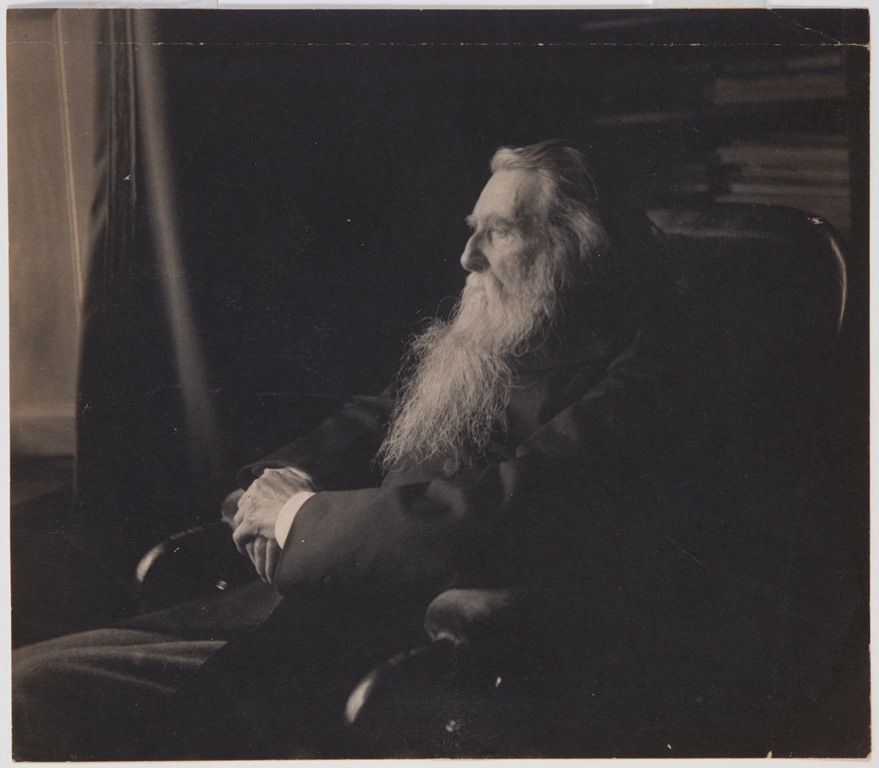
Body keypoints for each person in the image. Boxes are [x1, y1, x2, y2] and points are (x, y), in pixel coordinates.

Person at [13, 140, 683, 760]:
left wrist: (291, 518)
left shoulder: (643, 369)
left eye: (500, 232)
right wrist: (276, 482)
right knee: (20, 680)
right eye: (471, 229)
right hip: (286, 604)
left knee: (33, 697)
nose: (467, 257)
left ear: (575, 248)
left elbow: (488, 511)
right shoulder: (500, 331)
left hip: (393, 650)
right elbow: (378, 417)